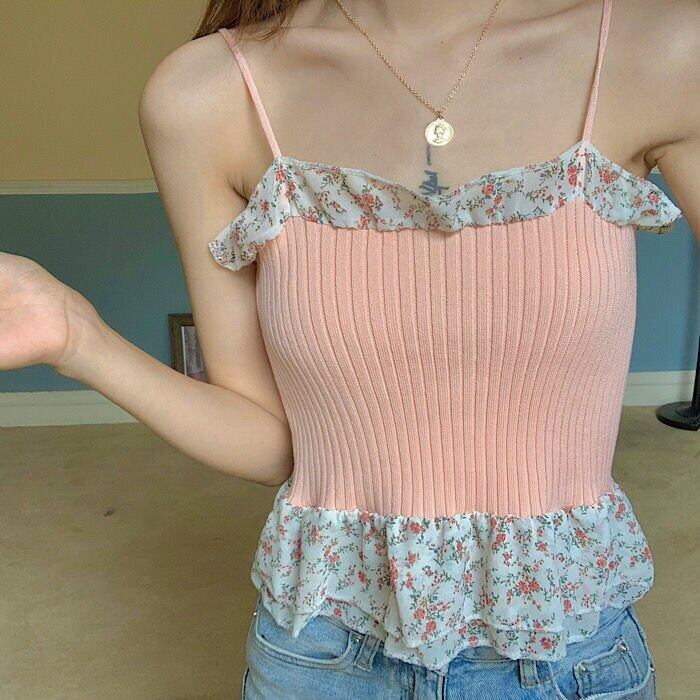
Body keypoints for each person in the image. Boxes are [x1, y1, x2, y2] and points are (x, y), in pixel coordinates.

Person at [1, 0, 697, 697]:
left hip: (567, 656)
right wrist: (78, 337)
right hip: (324, 662)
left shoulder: (654, 47)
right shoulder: (208, 93)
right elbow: (271, 441)